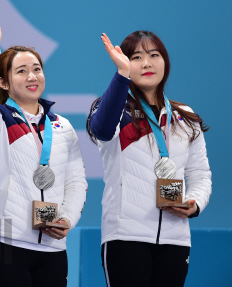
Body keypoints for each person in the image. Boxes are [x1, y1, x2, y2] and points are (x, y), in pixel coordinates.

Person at [0, 10, 87, 287]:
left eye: (36, 69)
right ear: (4, 82)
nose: (32, 76)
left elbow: (76, 181)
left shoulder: (62, 127)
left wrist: (67, 219)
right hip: (3, 243)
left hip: (53, 249)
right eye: (21, 71)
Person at [87, 32, 212, 287]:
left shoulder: (185, 117)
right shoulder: (113, 111)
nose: (147, 63)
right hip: (125, 237)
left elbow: (200, 174)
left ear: (165, 62)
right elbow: (101, 129)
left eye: (154, 55)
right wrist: (121, 75)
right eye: (136, 57)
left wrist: (195, 203)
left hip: (175, 240)